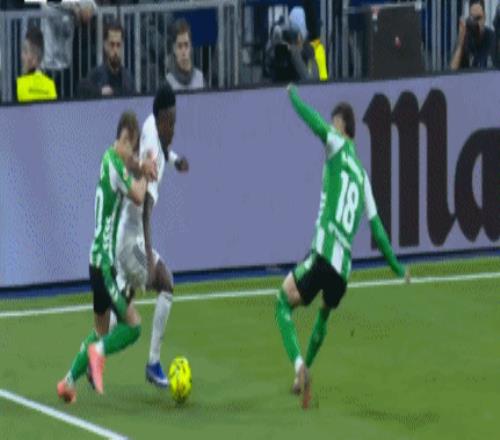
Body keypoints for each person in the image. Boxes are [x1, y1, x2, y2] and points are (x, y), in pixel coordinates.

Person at [275, 85, 410, 409]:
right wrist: (397, 268)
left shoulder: (336, 144)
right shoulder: (362, 177)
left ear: (341, 126)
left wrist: (293, 96)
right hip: (343, 269)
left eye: (334, 123)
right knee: (323, 315)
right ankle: (303, 375)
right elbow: (378, 231)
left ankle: (299, 366)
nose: (330, 128)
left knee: (282, 302)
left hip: (324, 252)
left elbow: (314, 124)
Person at [57, 111, 157, 403]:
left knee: (101, 330)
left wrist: (140, 164)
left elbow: (127, 165)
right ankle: (98, 354)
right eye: (132, 147)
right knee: (133, 326)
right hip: (105, 265)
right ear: (126, 139)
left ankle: (67, 382)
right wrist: (146, 172)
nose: (133, 155)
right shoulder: (117, 166)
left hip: (94, 261)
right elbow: (138, 195)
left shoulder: (108, 158)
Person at [114, 82, 189, 388]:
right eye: (170, 122)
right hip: (132, 238)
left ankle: (94, 355)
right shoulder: (151, 154)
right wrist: (148, 255)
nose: (173, 129)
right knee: (166, 282)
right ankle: (153, 363)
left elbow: (163, 145)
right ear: (160, 119)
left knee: (125, 301)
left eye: (175, 121)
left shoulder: (151, 126)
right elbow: (145, 207)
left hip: (125, 234)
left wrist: (176, 159)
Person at [81, 20, 135, 97]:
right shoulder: (95, 76)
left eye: (118, 45)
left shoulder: (128, 79)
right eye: (112, 45)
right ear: (105, 45)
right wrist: (99, 92)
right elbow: (81, 90)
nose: (115, 50)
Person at [450, 0, 496, 70]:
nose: (476, 23)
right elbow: (452, 71)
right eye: (473, 19)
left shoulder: (493, 38)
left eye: (479, 18)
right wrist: (460, 44)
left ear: (485, 17)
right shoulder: (465, 38)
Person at [16, 27, 57, 102]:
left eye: (25, 51)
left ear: (35, 57)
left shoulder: (19, 84)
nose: (22, 56)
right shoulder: (50, 85)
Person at [166, 19, 205, 91]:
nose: (183, 51)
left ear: (191, 47)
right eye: (179, 46)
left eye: (186, 45)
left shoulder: (200, 78)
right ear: (174, 49)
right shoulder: (168, 81)